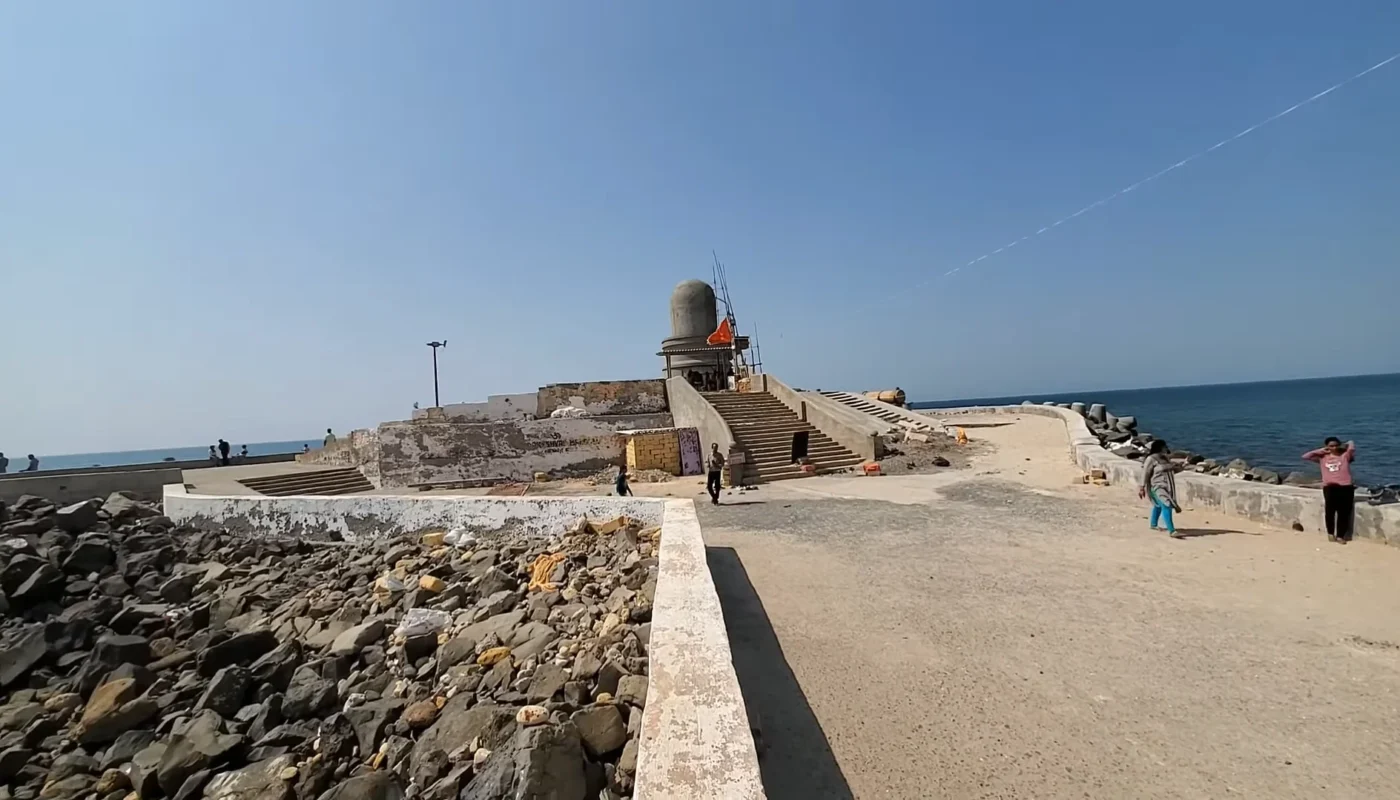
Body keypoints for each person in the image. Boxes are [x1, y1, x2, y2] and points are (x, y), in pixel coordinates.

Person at [1304, 437, 1356, 543]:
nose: (1334, 447)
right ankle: (1330, 533)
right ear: (1327, 446)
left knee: (1344, 513)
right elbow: (1306, 456)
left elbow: (1351, 446)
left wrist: (1345, 444)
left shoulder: (1345, 456)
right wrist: (1321, 450)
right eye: (1331, 446)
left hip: (1346, 487)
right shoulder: (1322, 458)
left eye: (1336, 445)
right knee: (1330, 512)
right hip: (1330, 488)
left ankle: (1340, 536)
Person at [1138, 440, 1181, 538]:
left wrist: (1182, 466)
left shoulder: (1165, 458)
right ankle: (1172, 530)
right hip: (1156, 487)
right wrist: (1142, 487)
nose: (1166, 448)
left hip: (1168, 487)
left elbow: (1171, 471)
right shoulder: (1151, 459)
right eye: (1164, 446)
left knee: (1158, 505)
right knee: (1166, 505)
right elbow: (1145, 473)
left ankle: (1153, 524)